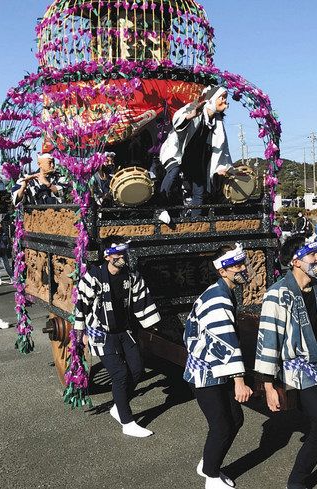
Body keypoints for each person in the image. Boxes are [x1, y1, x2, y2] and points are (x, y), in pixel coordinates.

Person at [255, 236, 317, 489]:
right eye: (312, 255)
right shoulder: (278, 294)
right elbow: (269, 341)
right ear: (295, 261)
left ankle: (297, 481)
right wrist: (268, 386)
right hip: (298, 371)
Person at [74, 239, 160, 437]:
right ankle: (127, 422)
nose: (122, 257)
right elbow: (81, 306)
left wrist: (151, 323)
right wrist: (82, 334)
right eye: (118, 254)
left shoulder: (131, 276)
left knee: (137, 369)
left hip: (124, 330)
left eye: (124, 253)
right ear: (107, 256)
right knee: (120, 374)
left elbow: (141, 299)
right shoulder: (93, 277)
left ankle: (118, 407)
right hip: (100, 332)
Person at [184, 244, 254, 489]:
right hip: (205, 373)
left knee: (234, 419)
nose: (243, 268)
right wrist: (239, 381)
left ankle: (208, 463)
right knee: (222, 425)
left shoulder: (224, 291)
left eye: (243, 263)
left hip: (212, 369)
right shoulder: (218, 298)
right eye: (236, 265)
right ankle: (211, 476)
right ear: (223, 271)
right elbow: (226, 342)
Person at [159, 85, 232, 215]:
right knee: (173, 172)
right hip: (178, 151)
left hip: (196, 159)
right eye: (222, 97)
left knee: (199, 190)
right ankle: (160, 208)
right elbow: (177, 120)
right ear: (212, 98)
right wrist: (190, 116)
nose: (225, 101)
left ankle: (195, 221)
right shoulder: (195, 107)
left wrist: (222, 166)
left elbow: (222, 147)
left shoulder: (217, 122)